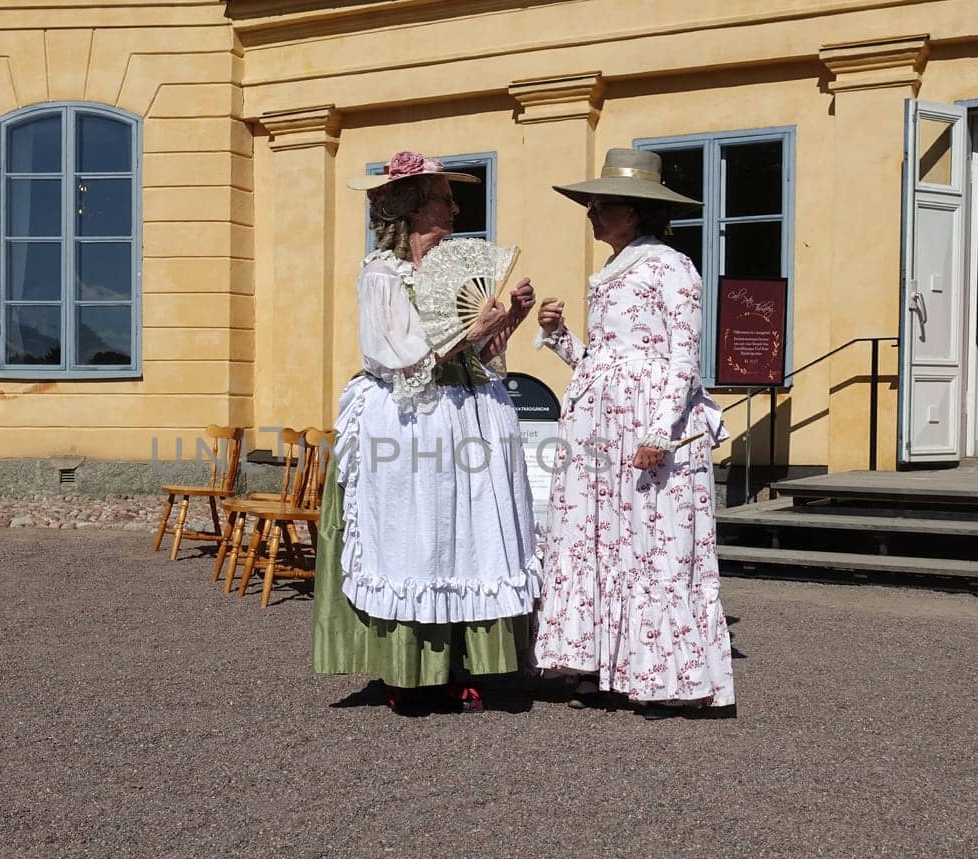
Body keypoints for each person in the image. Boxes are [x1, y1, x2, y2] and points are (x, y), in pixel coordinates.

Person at [312, 150, 541, 714]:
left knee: (470, 537)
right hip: (412, 420)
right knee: (418, 537)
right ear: (413, 207)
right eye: (444, 196)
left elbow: (486, 360)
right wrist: (471, 331)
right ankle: (412, 669)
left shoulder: (458, 272)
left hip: (469, 415)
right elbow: (397, 359)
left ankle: (464, 662)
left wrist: (506, 321)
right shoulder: (382, 274)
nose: (456, 206)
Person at [531, 147, 735, 716]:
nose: (591, 212)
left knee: (652, 547)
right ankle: (606, 664)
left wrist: (662, 432)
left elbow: (680, 359)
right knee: (604, 543)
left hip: (648, 429)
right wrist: (560, 335)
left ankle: (665, 673)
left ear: (637, 211)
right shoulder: (609, 272)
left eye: (603, 204)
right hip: (603, 430)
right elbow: (606, 364)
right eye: (590, 204)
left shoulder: (671, 267)